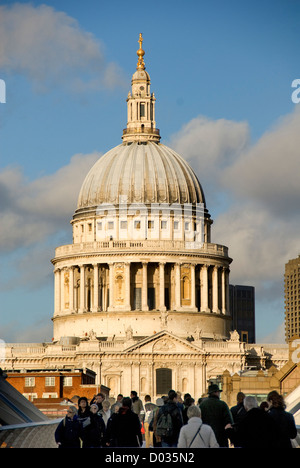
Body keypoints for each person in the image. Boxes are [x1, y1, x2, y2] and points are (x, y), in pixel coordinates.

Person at [199, 383, 233, 447]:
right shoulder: (222, 404)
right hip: (220, 439)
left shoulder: (202, 405)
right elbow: (228, 423)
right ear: (216, 392)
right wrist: (231, 438)